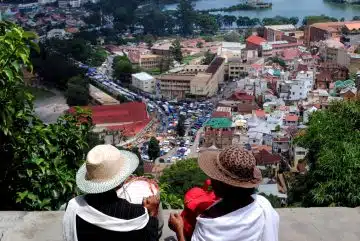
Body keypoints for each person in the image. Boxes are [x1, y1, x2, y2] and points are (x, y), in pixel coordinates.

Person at [169, 145, 279, 241]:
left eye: (214, 176)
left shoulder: (210, 223)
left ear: (221, 184)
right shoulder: (263, 205)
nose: (211, 180)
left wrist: (179, 229)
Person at [63, 144, 161, 241]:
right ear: (120, 179)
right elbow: (151, 237)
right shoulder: (135, 213)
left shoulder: (73, 207)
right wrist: (153, 212)